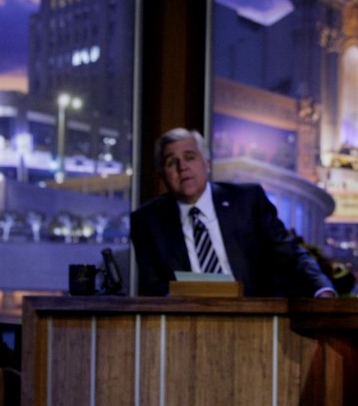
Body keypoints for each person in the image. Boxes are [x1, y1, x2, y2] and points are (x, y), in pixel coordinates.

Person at [131, 127, 337, 298]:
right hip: (185, 322)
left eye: (189, 157)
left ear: (207, 163)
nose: (182, 167)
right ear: (162, 174)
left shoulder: (248, 201)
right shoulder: (147, 221)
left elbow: (290, 254)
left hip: (254, 317)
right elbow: (153, 287)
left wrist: (321, 289)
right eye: (171, 162)